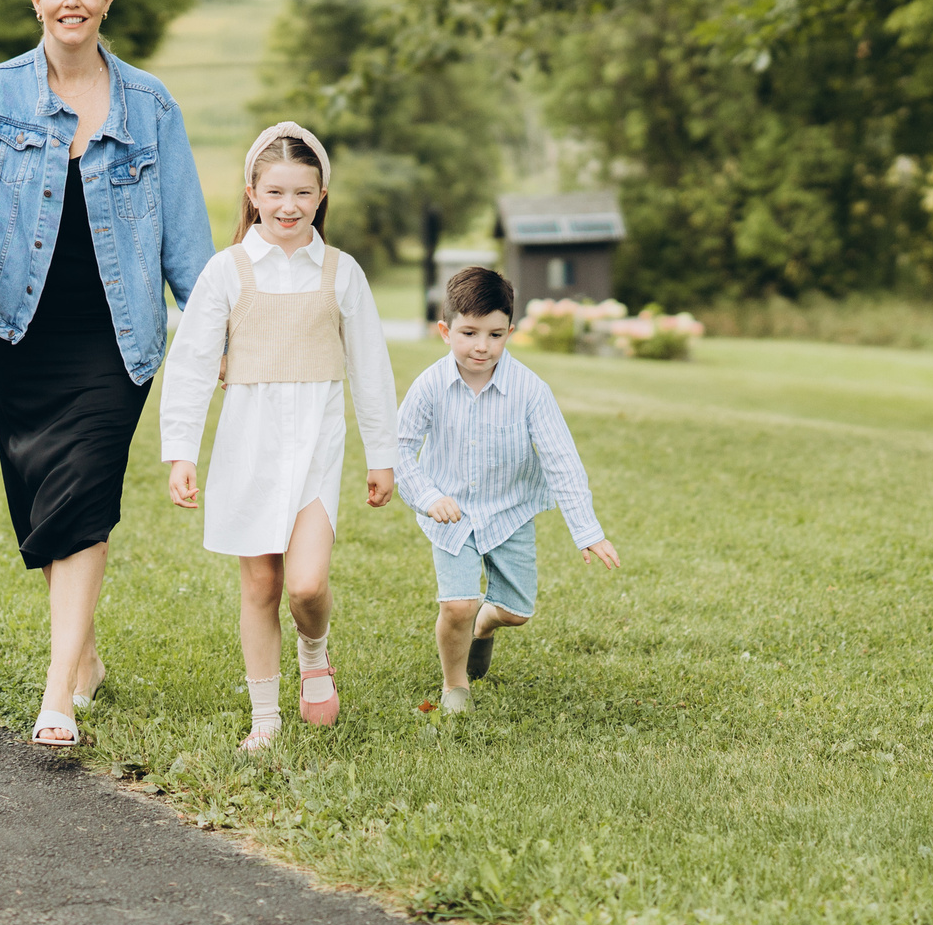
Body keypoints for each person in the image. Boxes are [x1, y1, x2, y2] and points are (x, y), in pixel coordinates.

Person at [0, 0, 211, 749]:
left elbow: (185, 241)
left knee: (84, 495)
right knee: (42, 506)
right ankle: (86, 652)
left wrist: (218, 336)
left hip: (118, 335)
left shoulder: (151, 105)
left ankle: (56, 692)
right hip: (22, 329)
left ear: (108, 1)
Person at [159, 124, 399, 752]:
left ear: (321, 196)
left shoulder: (342, 274)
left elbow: (370, 367)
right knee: (262, 585)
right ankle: (265, 714)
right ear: (252, 194)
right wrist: (181, 450)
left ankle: (314, 654)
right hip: (249, 449)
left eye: (302, 192)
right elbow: (189, 364)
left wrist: (383, 455)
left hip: (317, 450)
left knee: (306, 585)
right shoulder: (227, 271)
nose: (288, 205)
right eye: (275, 192)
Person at [395, 266, 620, 713]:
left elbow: (562, 462)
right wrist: (428, 497)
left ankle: (485, 624)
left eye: (495, 334)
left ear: (510, 332)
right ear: (445, 331)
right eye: (469, 332)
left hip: (509, 512)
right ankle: (455, 685)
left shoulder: (531, 391)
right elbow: (399, 450)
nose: (482, 346)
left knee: (516, 612)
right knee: (457, 605)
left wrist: (587, 530)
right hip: (452, 514)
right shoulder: (430, 387)